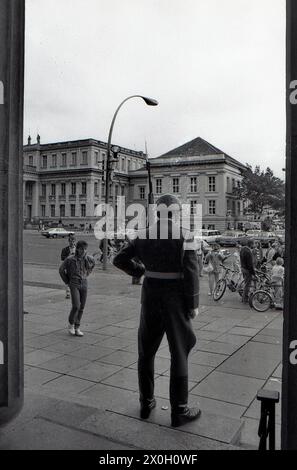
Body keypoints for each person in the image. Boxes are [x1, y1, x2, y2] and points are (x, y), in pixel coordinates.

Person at [113, 194, 201, 428]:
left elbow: (119, 259)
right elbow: (191, 272)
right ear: (175, 212)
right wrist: (193, 305)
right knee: (179, 352)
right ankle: (179, 410)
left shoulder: (142, 234)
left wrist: (140, 270)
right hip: (175, 301)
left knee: (146, 352)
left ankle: (146, 402)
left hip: (150, 297)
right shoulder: (185, 235)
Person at [59, 240, 95, 337]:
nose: (83, 251)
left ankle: (77, 327)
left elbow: (92, 265)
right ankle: (71, 324)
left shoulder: (88, 259)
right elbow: (61, 270)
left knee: (82, 307)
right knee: (76, 305)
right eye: (81, 249)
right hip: (74, 283)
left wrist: (87, 273)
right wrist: (67, 281)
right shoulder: (70, 259)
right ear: (77, 249)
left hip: (84, 283)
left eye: (85, 249)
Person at [61, 234, 76, 299]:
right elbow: (62, 258)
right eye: (70, 241)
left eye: (73, 241)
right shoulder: (65, 249)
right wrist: (69, 256)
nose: (72, 243)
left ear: (75, 241)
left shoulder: (78, 249)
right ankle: (68, 293)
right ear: (68, 241)